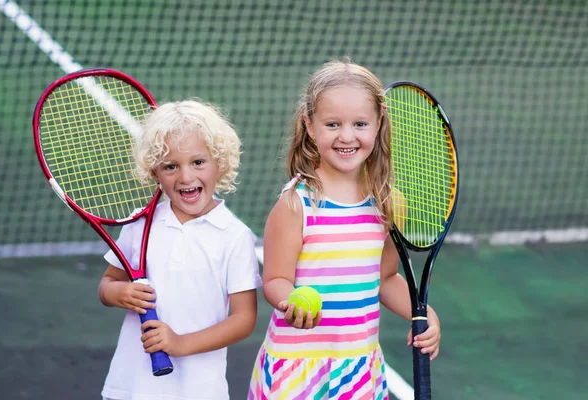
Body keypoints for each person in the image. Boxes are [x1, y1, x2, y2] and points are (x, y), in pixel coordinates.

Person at [248, 59, 441, 399]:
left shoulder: (389, 204)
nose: (347, 136)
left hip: (358, 369)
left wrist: (424, 314)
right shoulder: (296, 204)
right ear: (309, 125)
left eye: (360, 123)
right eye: (333, 124)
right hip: (297, 366)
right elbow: (275, 280)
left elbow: (385, 279)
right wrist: (290, 301)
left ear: (379, 123)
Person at [98, 100, 261, 400]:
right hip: (130, 387)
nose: (186, 177)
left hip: (198, 390)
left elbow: (243, 319)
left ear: (220, 163)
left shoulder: (235, 236)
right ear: (154, 172)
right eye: (170, 166)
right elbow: (107, 285)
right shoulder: (140, 225)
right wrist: (119, 294)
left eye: (198, 162)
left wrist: (179, 343)